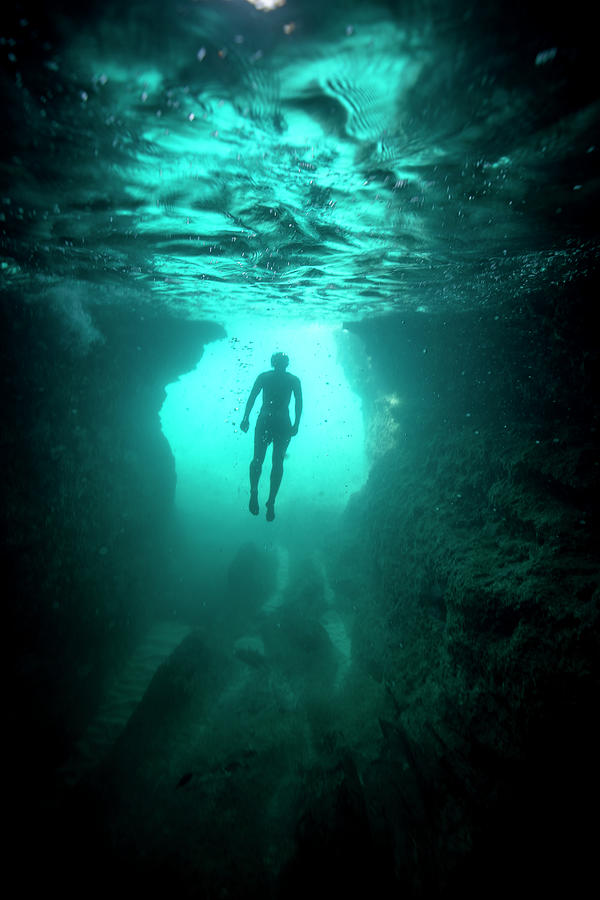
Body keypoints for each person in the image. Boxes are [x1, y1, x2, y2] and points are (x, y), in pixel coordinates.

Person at [239, 352, 302, 521]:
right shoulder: (293, 380)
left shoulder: (264, 377)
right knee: (278, 462)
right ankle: (271, 500)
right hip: (283, 423)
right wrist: (296, 424)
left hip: (265, 420)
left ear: (273, 362)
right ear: (287, 364)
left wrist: (245, 418)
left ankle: (254, 491)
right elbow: (298, 403)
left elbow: (252, 397)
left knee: (258, 459)